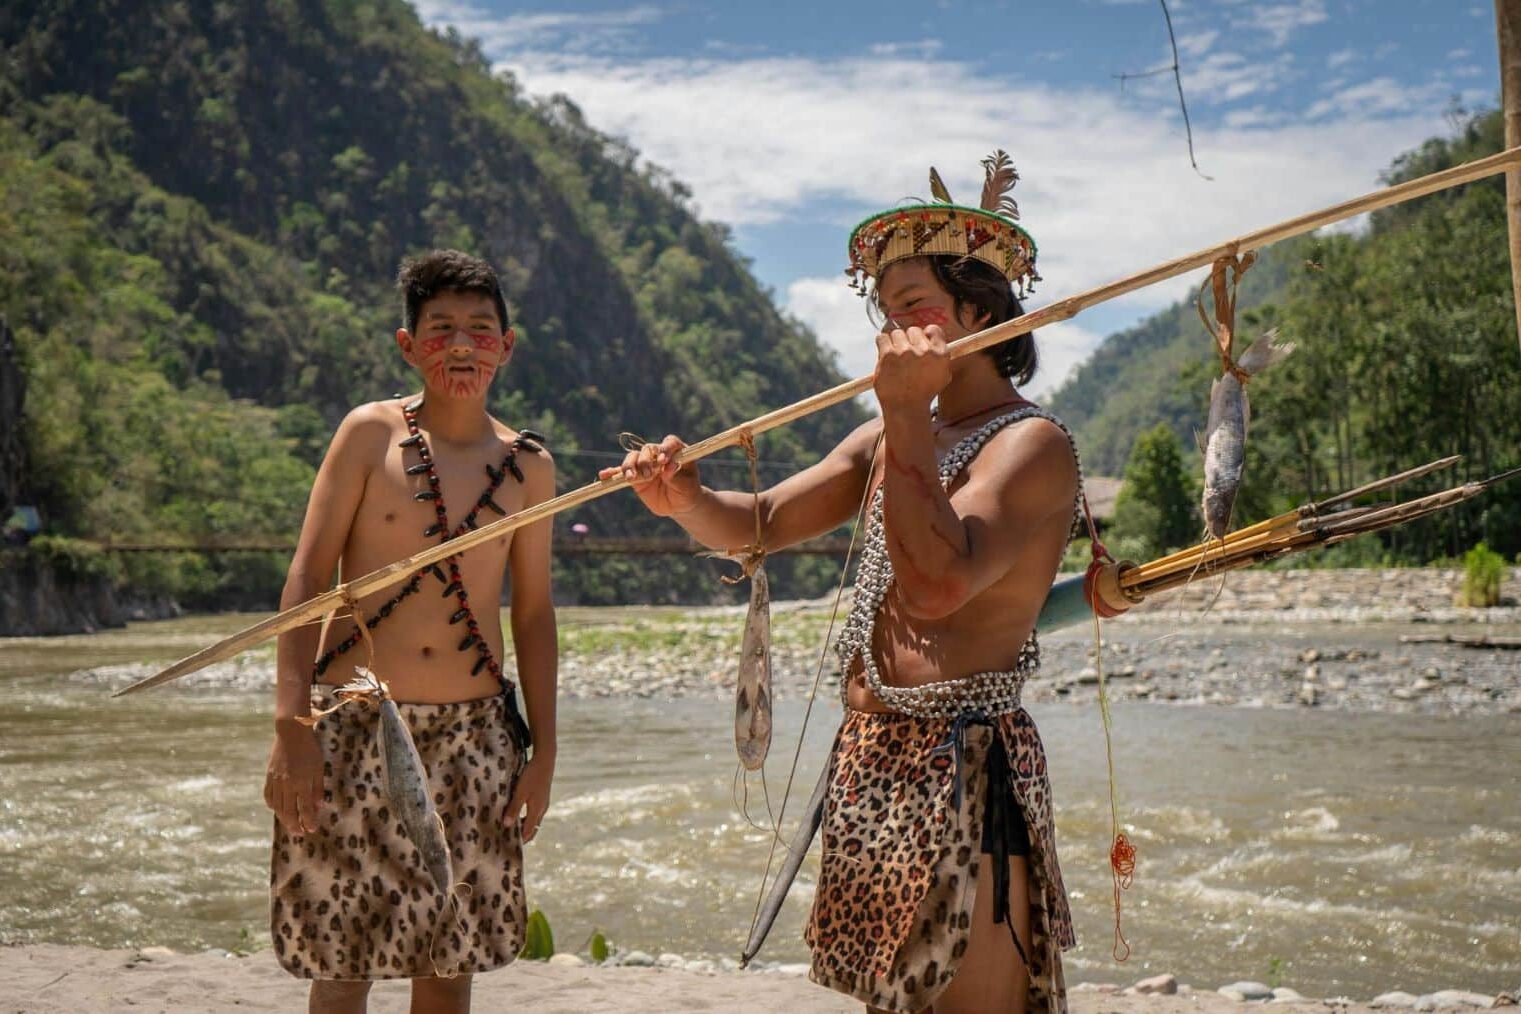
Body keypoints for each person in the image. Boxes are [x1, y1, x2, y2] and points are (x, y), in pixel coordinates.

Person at [605, 152, 1081, 1014]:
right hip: (873, 756)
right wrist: (679, 498)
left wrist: (903, 411)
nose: (891, 332)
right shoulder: (887, 439)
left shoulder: (1029, 445)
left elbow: (939, 587)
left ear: (978, 312)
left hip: (960, 760)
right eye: (886, 312)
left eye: (916, 308)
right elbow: (756, 523)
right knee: (888, 1003)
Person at [263, 250, 557, 1013]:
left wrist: (544, 752)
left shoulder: (528, 468)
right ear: (408, 345)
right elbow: (306, 579)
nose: (462, 346)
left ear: (507, 344)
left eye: (480, 330)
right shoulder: (369, 436)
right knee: (340, 952)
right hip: (353, 724)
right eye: (442, 330)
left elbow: (531, 614)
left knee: (446, 958)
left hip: (474, 737)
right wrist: (291, 729)